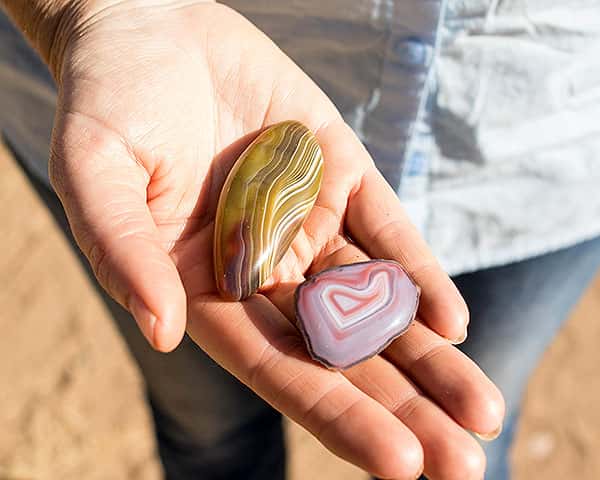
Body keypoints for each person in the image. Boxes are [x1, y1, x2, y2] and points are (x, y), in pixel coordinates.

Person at [1, 1, 598, 479]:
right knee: (210, 433)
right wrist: (98, 10)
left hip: (550, 162)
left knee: (463, 424)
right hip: (180, 156)